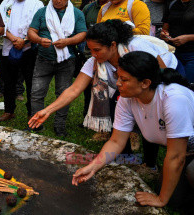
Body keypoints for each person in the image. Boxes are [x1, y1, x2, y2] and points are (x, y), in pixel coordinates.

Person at [29, 20, 179, 163]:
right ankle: (125, 156)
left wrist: (146, 97)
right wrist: (47, 111)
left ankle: (150, 163)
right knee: (116, 108)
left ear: (113, 45)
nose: (93, 54)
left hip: (162, 78)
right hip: (131, 89)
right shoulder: (94, 62)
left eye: (97, 50)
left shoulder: (136, 47)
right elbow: (74, 89)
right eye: (91, 50)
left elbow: (160, 72)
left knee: (149, 115)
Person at [72, 51, 194, 209]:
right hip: (184, 151)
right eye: (118, 77)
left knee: (186, 179)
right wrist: (93, 166)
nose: (118, 84)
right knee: (175, 201)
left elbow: (176, 157)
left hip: (184, 151)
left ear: (145, 83)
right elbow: (116, 141)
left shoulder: (173, 99)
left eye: (124, 79)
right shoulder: (126, 98)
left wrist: (160, 199)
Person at [27, 0, 87, 136]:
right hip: (43, 59)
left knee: (63, 94)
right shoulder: (42, 12)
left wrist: (67, 41)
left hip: (67, 61)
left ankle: (60, 125)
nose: (58, 0)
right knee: (37, 92)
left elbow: (82, 34)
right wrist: (40, 40)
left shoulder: (76, 14)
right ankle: (35, 124)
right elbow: (31, 31)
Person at [0, 0, 43, 122]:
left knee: (30, 82)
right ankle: (9, 110)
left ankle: (31, 112)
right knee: (8, 81)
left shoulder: (37, 4)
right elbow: (1, 24)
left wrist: (24, 40)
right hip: (8, 45)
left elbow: (40, 25)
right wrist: (12, 38)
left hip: (29, 48)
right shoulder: (6, 3)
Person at [80, 0, 109, 121]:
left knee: (105, 91)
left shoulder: (113, 8)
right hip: (88, 55)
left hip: (108, 57)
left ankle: (105, 121)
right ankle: (87, 115)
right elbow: (82, 29)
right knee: (88, 89)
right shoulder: (89, 8)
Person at [161, 0, 194, 83]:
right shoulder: (172, 4)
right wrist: (165, 35)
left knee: (189, 86)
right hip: (174, 53)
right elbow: (166, 27)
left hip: (192, 54)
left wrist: (188, 38)